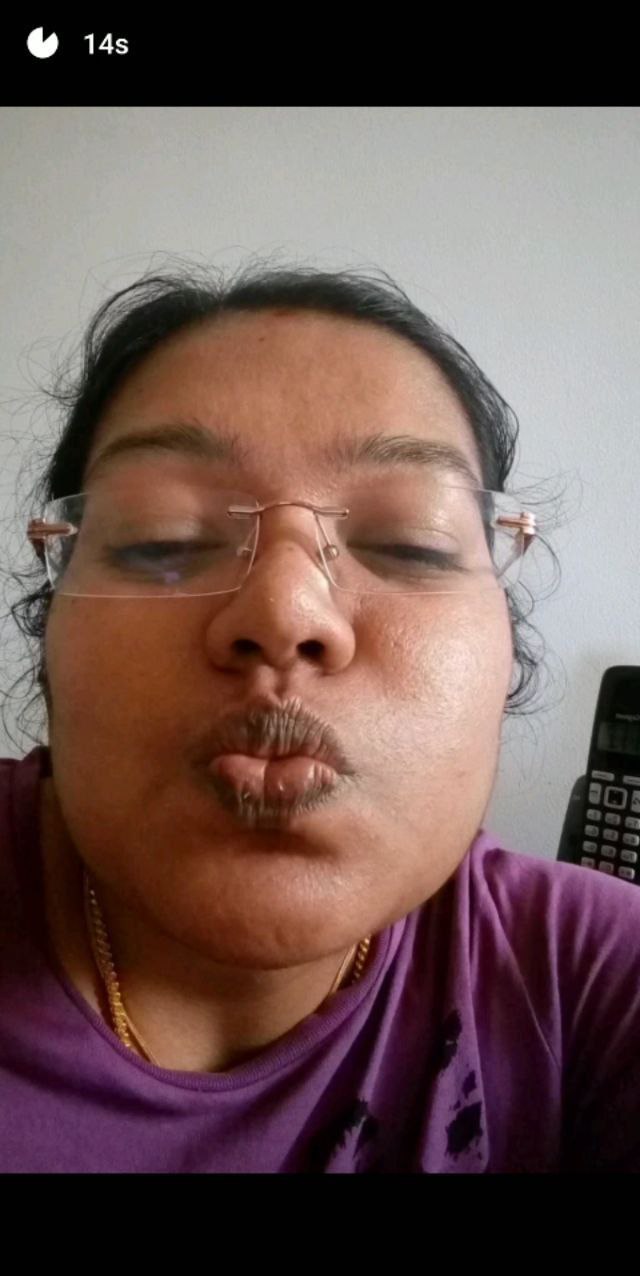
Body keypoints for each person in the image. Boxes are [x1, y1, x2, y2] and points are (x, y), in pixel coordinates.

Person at [0, 263, 638, 1174]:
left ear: (507, 657)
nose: (285, 612)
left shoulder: (596, 982)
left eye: (411, 543)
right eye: (162, 539)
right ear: (47, 634)